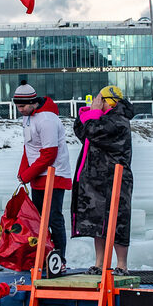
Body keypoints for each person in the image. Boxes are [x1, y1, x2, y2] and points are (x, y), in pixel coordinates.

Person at [72, 84, 133, 273]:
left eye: (100, 99)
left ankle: (121, 264)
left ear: (109, 102)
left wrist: (93, 114)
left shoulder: (118, 121)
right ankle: (100, 263)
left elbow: (94, 131)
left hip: (114, 180)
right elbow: (82, 132)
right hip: (96, 180)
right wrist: (86, 113)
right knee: (98, 223)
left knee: (118, 222)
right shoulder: (102, 119)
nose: (96, 102)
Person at [13, 83, 73, 271]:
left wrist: (28, 174)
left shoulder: (46, 119)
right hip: (38, 176)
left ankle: (59, 260)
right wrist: (23, 172)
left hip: (54, 175)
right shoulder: (28, 117)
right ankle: (42, 256)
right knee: (38, 219)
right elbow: (29, 148)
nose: (19, 109)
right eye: (17, 106)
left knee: (54, 217)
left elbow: (49, 154)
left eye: (22, 106)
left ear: (33, 102)